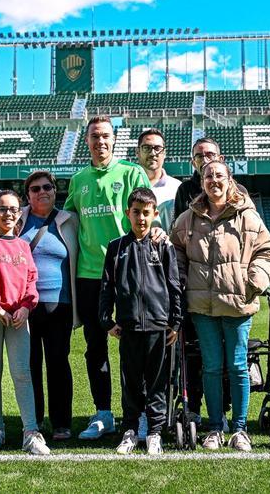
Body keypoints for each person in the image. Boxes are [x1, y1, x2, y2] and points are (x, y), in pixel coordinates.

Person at [171, 159, 270, 452]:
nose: (214, 180)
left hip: (237, 304)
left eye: (219, 175)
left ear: (229, 180)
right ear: (202, 182)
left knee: (237, 366)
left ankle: (239, 429)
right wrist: (181, 278)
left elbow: (268, 253)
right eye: (208, 176)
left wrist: (252, 281)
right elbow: (175, 251)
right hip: (202, 307)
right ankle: (215, 428)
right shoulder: (187, 218)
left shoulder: (248, 216)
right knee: (212, 367)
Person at [64, 116, 157, 440]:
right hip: (90, 274)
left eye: (105, 136)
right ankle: (103, 413)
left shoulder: (131, 173)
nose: (100, 141)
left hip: (129, 271)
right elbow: (68, 220)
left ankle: (141, 413)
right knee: (95, 347)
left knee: (137, 346)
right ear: (86, 141)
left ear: (114, 140)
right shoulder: (78, 180)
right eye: (94, 137)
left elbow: (144, 214)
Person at [99, 187, 182, 456]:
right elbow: (107, 287)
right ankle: (131, 430)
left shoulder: (163, 245)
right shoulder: (116, 247)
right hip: (129, 327)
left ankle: (155, 432)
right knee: (131, 383)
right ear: (128, 213)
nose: (141, 219)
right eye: (136, 213)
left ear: (155, 214)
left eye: (147, 213)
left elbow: (174, 285)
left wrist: (176, 322)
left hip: (159, 327)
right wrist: (106, 320)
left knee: (157, 383)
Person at [0, 190, 50, 456]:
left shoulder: (23, 246)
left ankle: (31, 431)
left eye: (13, 209)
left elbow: (30, 280)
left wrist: (26, 306)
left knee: (22, 373)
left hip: (18, 318)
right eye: (2, 209)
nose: (8, 214)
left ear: (19, 213)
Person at [17, 170, 80, 441]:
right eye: (35, 188)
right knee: (29, 365)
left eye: (47, 187)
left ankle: (62, 422)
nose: (42, 192)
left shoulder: (69, 220)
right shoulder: (17, 220)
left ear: (55, 191)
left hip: (60, 304)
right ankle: (34, 420)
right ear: (27, 194)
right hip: (25, 306)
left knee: (58, 364)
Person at [136, 127, 181, 230]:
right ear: (137, 152)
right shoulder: (128, 186)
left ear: (164, 153)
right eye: (146, 148)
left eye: (157, 148)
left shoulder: (177, 187)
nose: (152, 153)